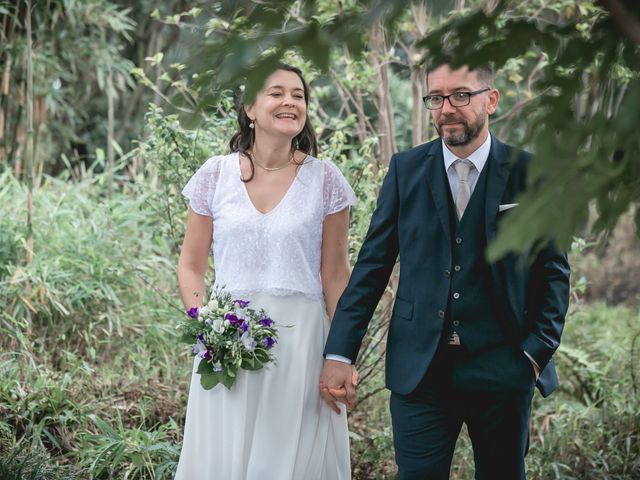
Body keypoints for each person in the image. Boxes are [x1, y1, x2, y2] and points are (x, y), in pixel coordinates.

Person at [320, 61, 570, 479]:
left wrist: (532, 355)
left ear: (491, 99)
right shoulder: (406, 170)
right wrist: (340, 352)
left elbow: (554, 273)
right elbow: (372, 268)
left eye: (460, 95)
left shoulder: (532, 175)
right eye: (436, 98)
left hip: (503, 368)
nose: (447, 107)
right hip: (421, 372)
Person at [175, 64, 357, 480]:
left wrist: (342, 353)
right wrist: (207, 326)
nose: (290, 101)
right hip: (229, 343)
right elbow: (190, 265)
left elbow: (335, 275)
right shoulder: (213, 175)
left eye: (298, 94)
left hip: (302, 346)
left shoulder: (326, 180)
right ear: (250, 108)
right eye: (276, 93)